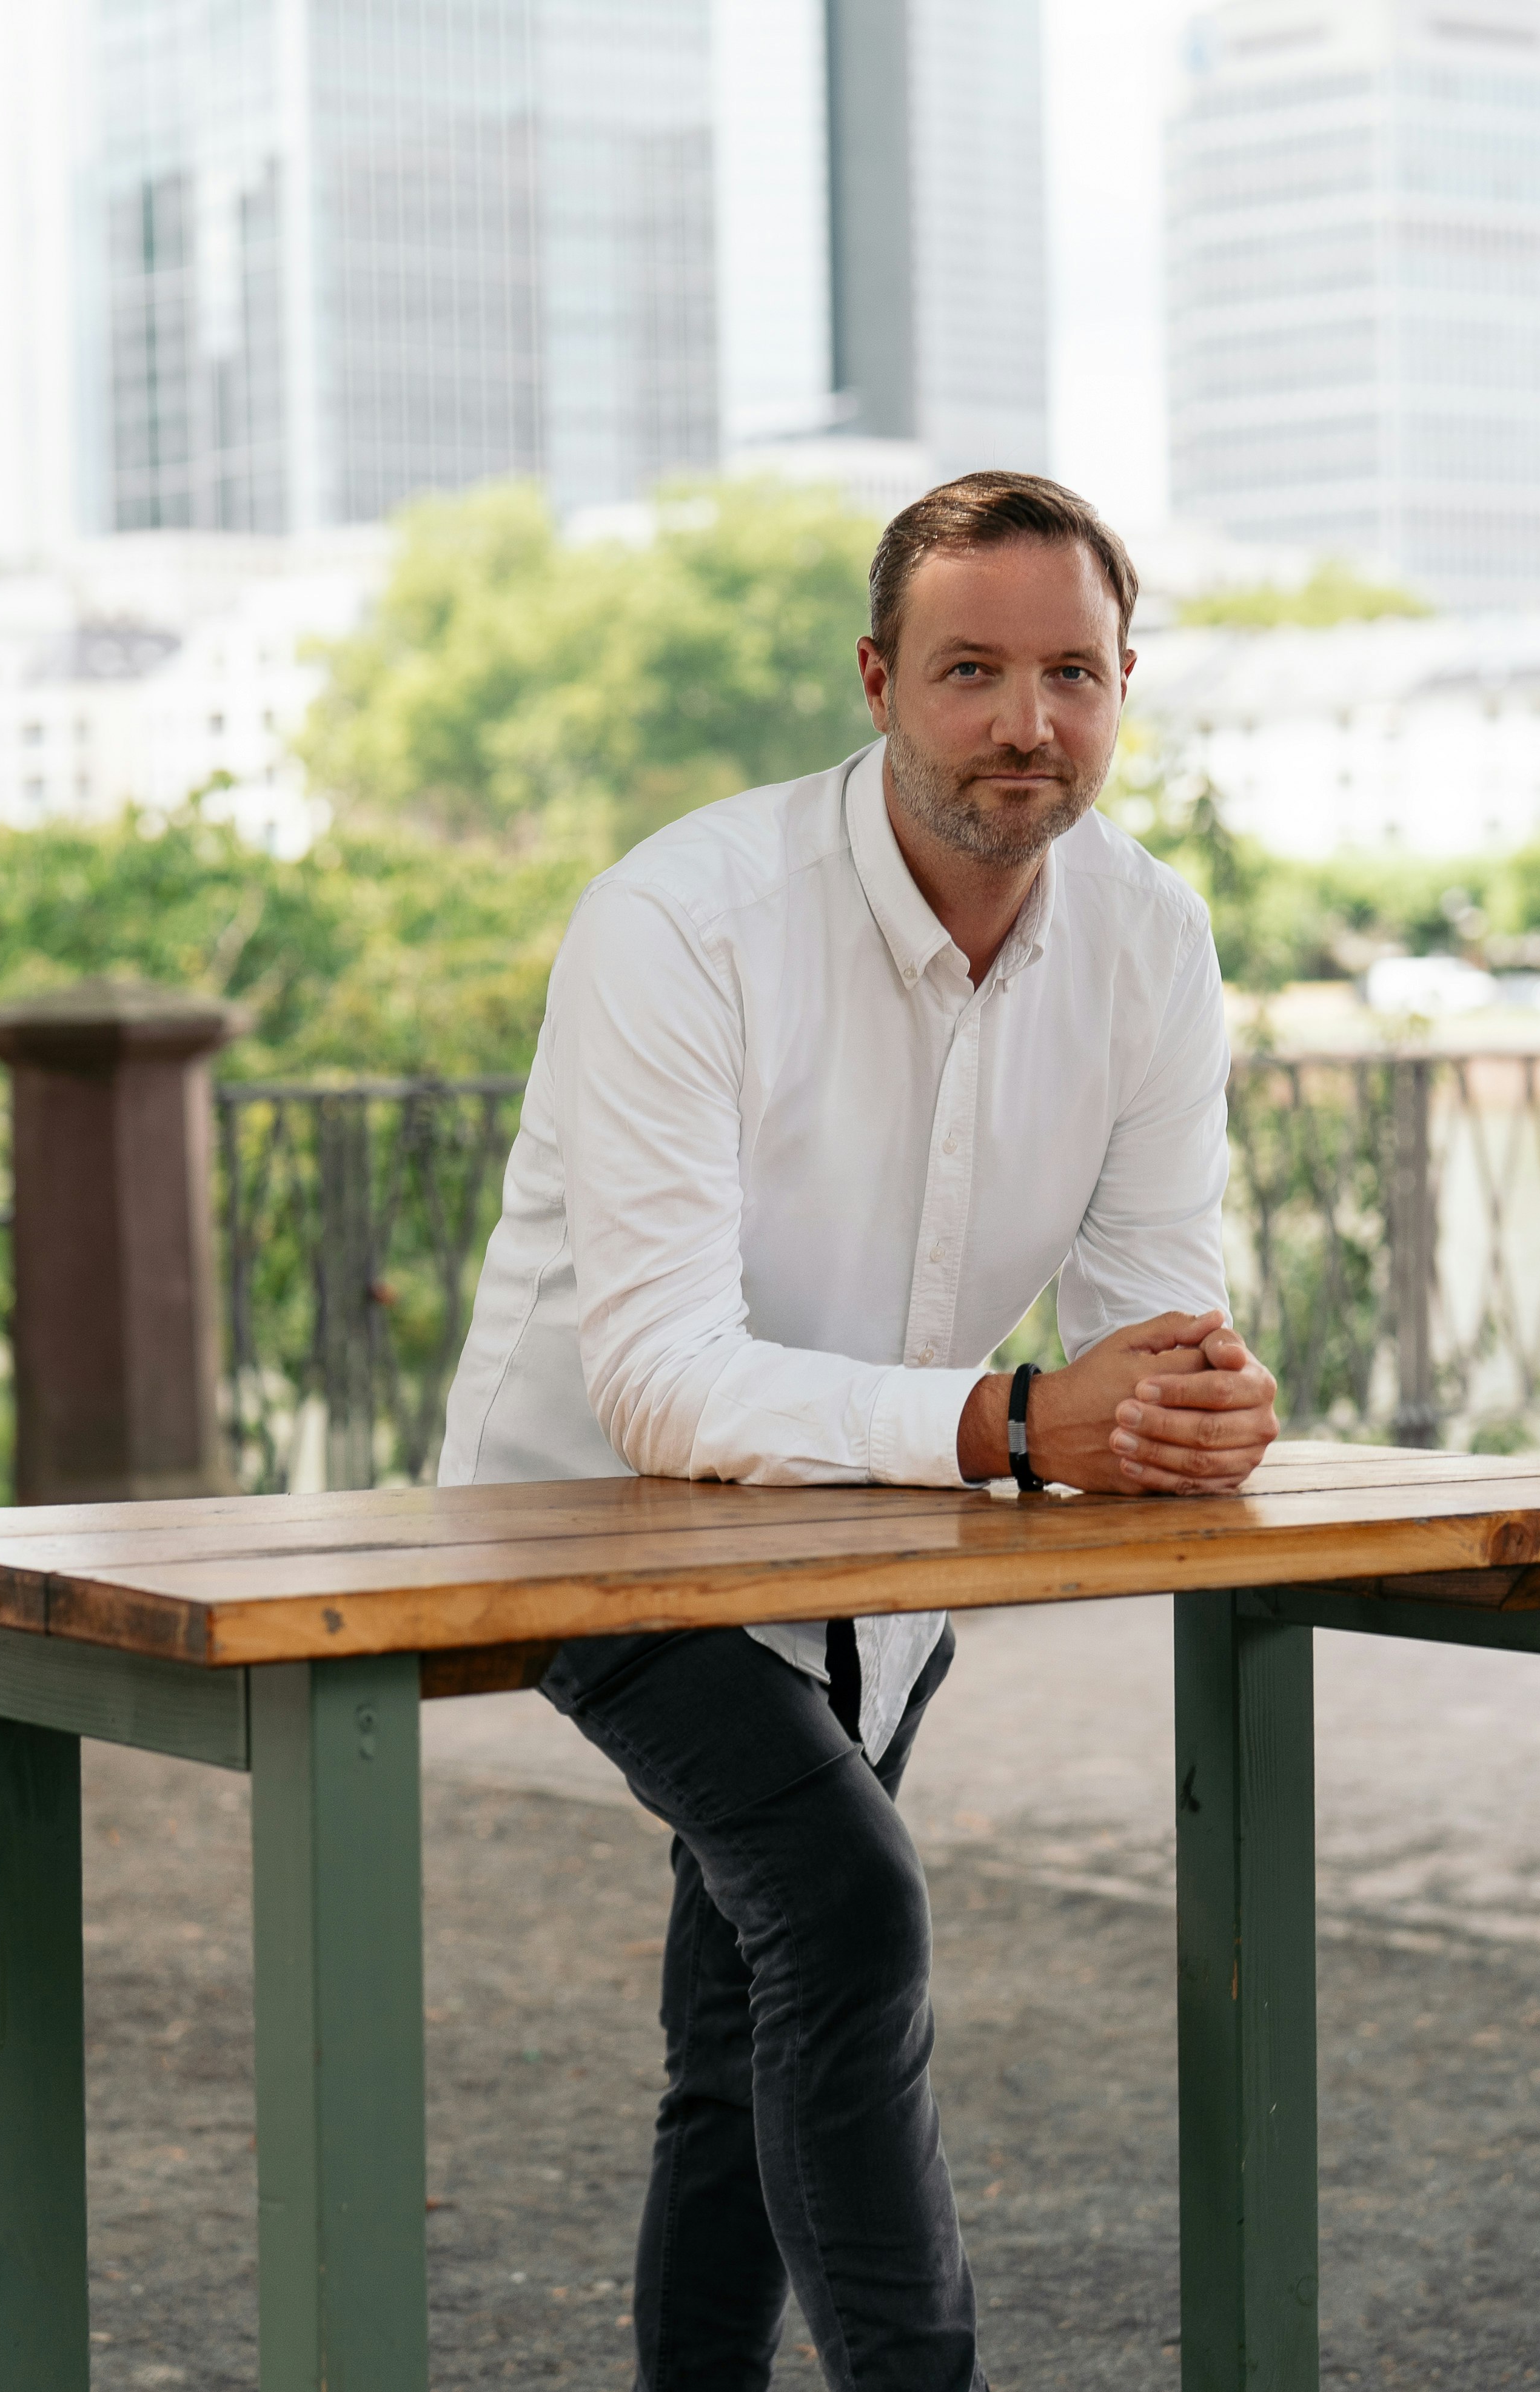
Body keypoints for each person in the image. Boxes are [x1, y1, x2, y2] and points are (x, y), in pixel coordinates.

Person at [435, 471, 1285, 2392]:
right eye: (972, 668)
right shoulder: (684, 917)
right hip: (593, 1513)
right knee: (845, 1905)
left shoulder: (1150, 941)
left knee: (750, 2023)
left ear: (1125, 687)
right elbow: (657, 1376)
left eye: (1072, 673)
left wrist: (1195, 1400)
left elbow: (1153, 1309)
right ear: (880, 678)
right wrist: (1015, 1421)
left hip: (882, 1551)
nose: (1025, 722)